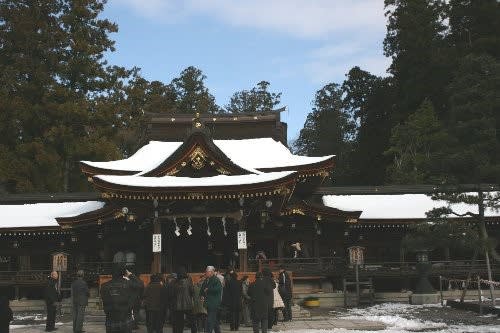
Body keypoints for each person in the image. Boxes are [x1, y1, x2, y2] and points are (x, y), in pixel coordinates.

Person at [101, 264, 134, 333]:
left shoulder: (104, 286)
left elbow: (104, 301)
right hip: (125, 317)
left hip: (111, 317)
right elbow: (140, 285)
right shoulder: (129, 284)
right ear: (124, 273)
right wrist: (130, 275)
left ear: (111, 273)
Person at [172, 267, 195, 333]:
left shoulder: (175, 282)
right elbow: (192, 291)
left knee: (179, 322)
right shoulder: (189, 280)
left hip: (178, 305)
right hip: (188, 304)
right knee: (192, 321)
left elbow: (173, 293)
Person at [200, 266, 222, 333]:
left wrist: (208, 290)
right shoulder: (206, 280)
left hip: (214, 303)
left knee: (209, 320)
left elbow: (218, 289)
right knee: (214, 319)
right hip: (208, 302)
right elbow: (202, 290)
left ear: (212, 272)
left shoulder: (216, 280)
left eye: (207, 271)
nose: (206, 273)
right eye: (206, 271)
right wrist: (201, 295)